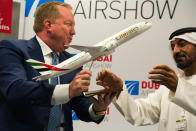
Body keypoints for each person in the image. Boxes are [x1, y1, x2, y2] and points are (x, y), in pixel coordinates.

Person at [0, 1, 116, 131]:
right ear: (48, 25)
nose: (73, 32)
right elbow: (15, 89)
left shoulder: (73, 62)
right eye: (68, 25)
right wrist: (67, 90)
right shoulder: (13, 49)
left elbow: (79, 104)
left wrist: (97, 109)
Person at [96, 27, 196, 131]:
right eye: (172, 46)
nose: (175, 51)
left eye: (182, 44)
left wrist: (177, 88)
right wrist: (119, 90)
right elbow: (139, 114)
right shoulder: (168, 86)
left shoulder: (174, 84)